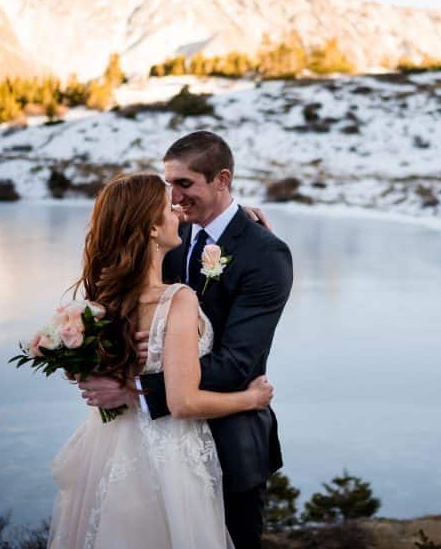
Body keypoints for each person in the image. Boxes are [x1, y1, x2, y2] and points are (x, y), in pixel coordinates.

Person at [77, 131, 293, 549]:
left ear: (222, 180)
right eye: (169, 184)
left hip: (229, 445)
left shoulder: (264, 254)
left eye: (185, 184)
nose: (173, 197)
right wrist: (106, 358)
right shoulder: (164, 238)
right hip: (150, 448)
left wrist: (134, 389)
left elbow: (237, 365)